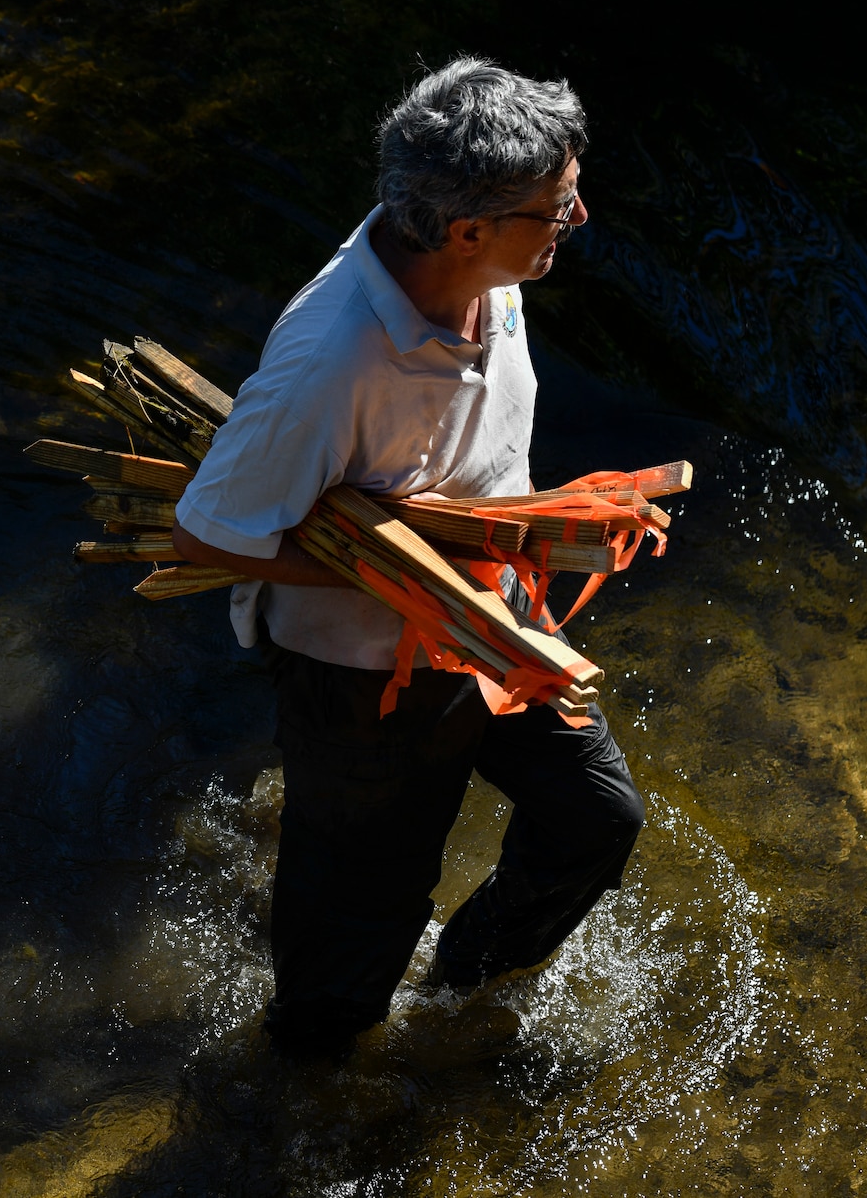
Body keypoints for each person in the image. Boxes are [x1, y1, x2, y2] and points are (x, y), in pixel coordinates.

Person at [171, 56, 645, 1051]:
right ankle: (294, 1101)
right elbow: (204, 531)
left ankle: (456, 1000)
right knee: (353, 942)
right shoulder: (329, 363)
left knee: (592, 821)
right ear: (468, 228)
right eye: (555, 208)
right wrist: (397, 575)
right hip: (359, 679)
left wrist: (487, 567)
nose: (578, 218)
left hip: (490, 624)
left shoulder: (484, 270)